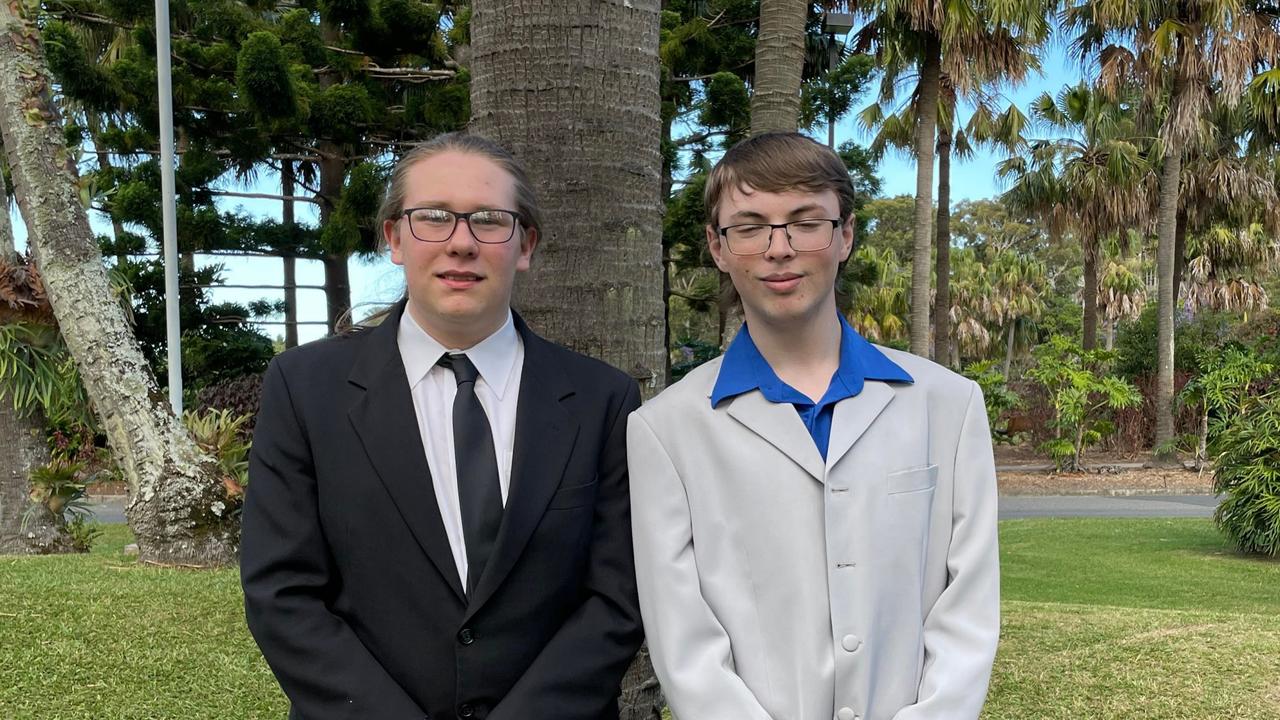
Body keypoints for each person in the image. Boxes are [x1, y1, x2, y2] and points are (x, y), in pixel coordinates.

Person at [241, 132, 644, 720]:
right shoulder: (305, 389)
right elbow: (282, 592)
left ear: (525, 245)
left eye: (488, 220)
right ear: (394, 239)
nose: (461, 244)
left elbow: (617, 599)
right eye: (433, 218)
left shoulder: (602, 399)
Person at [628, 132, 1000, 720]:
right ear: (717, 247)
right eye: (749, 227)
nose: (779, 248)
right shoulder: (665, 429)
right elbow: (685, 644)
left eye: (806, 222)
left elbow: (969, 608)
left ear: (845, 234)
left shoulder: (947, 406)